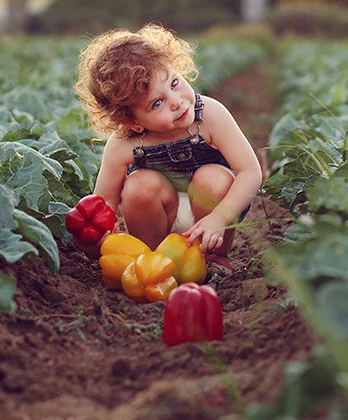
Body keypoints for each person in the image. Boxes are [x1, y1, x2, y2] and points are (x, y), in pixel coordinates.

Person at [73, 24, 262, 269]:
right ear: (132, 121)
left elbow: (251, 173)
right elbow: (104, 204)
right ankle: (153, 262)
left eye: (174, 83)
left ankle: (212, 259)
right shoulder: (123, 144)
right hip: (159, 215)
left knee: (212, 177)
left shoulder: (211, 115)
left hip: (212, 214)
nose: (177, 102)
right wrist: (94, 238)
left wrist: (219, 218)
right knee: (139, 185)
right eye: (157, 103)